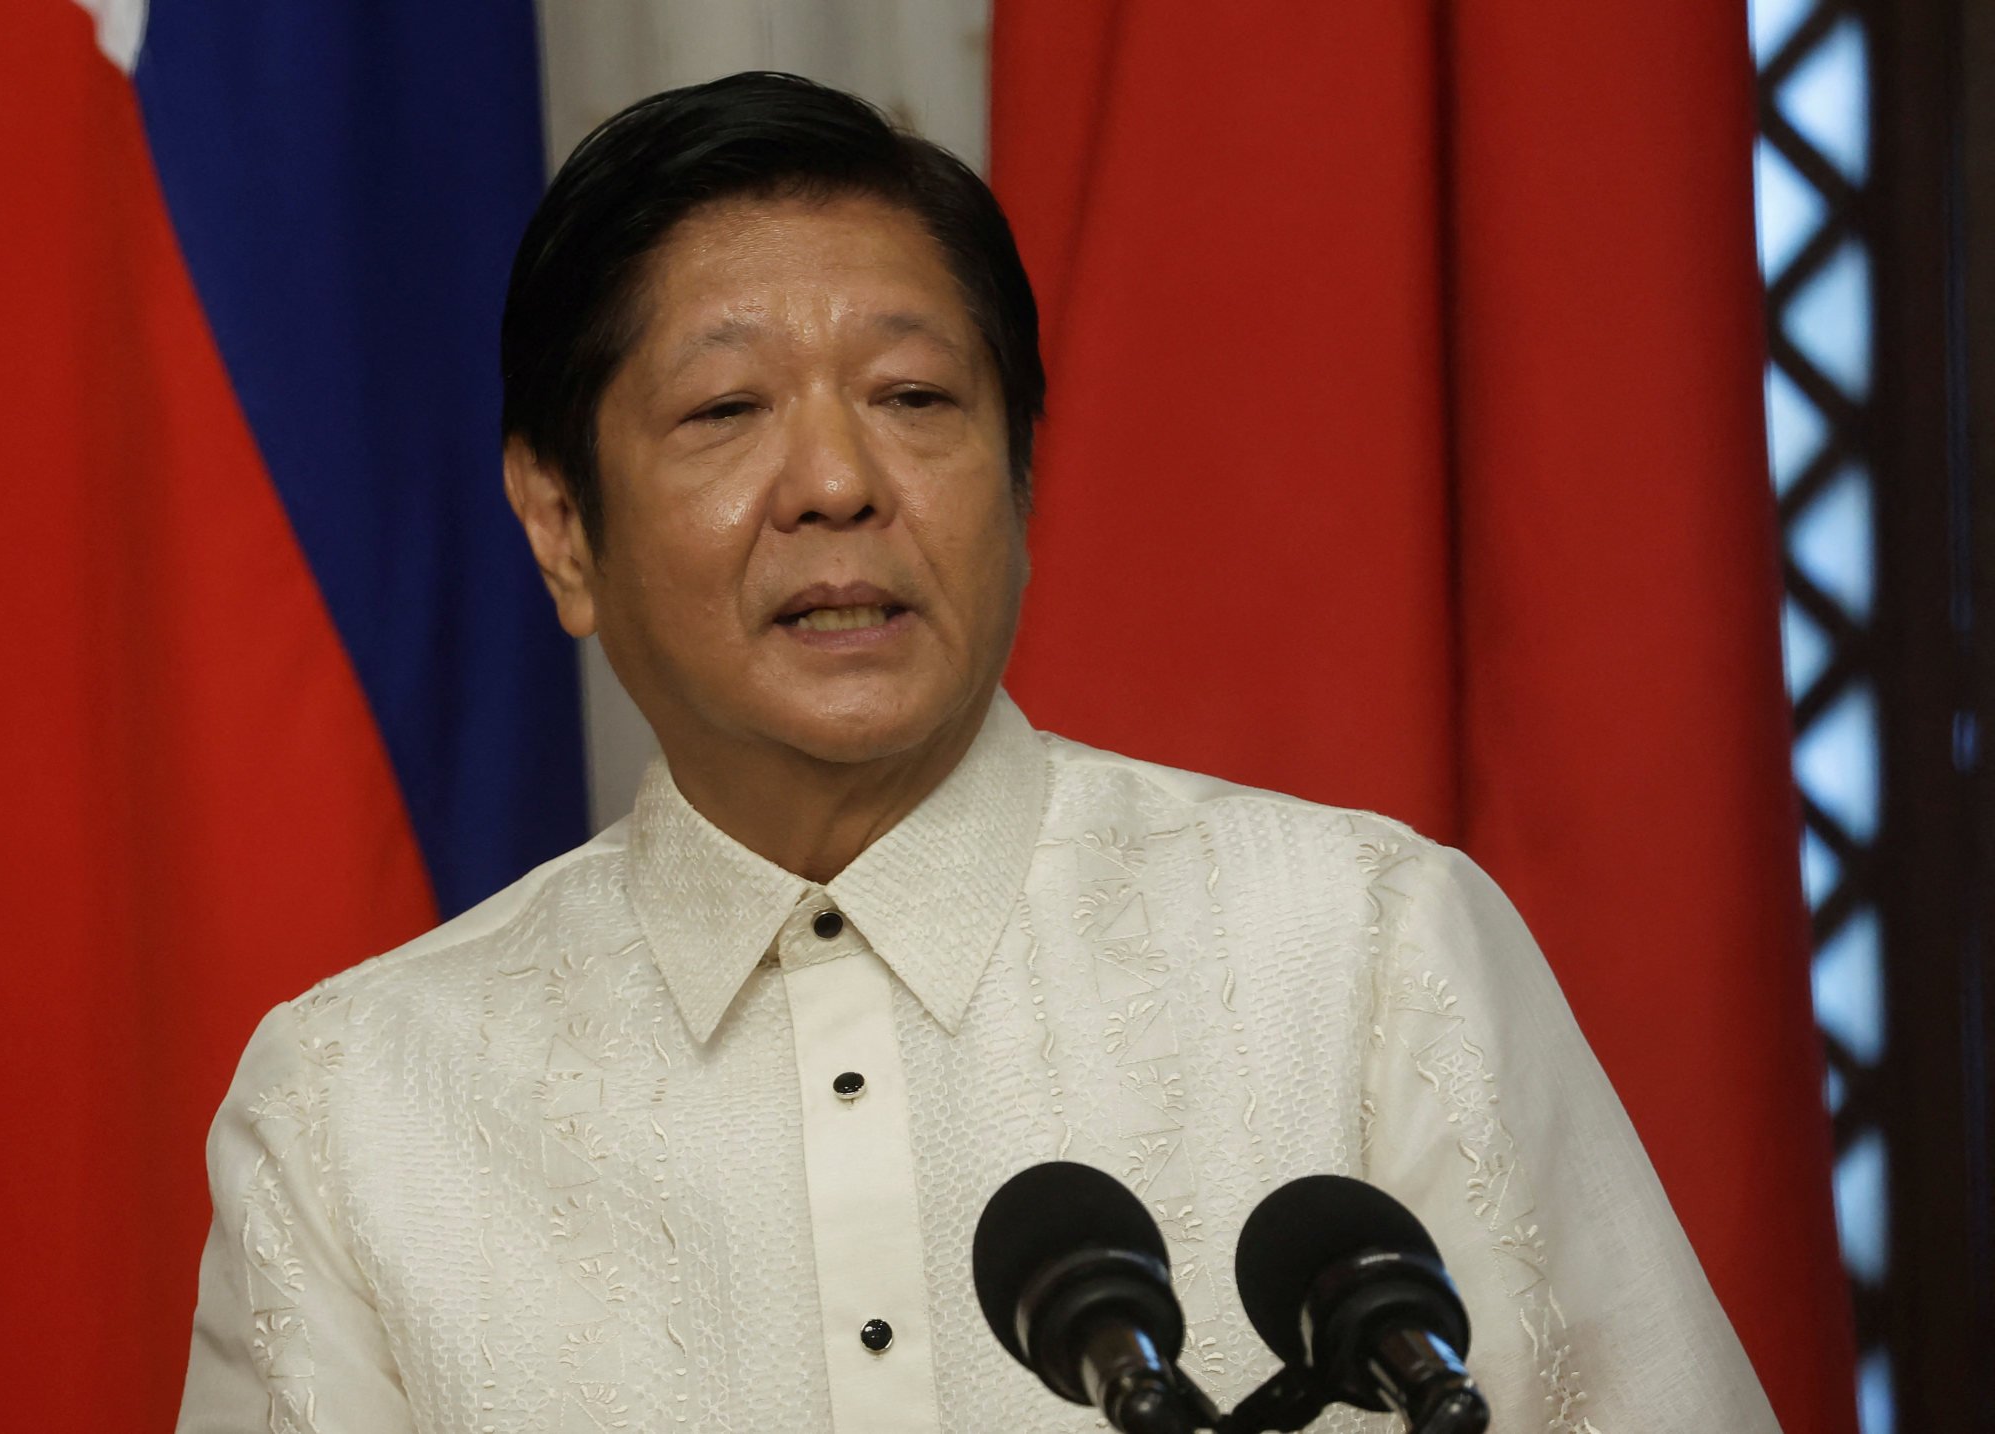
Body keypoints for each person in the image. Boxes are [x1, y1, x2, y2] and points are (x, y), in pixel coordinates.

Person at [177, 72, 1779, 1433]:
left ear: (1019, 474)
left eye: (914, 393)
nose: (834, 483)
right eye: (727, 409)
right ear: (561, 527)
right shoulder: (353, 1111)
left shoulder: (1363, 948)